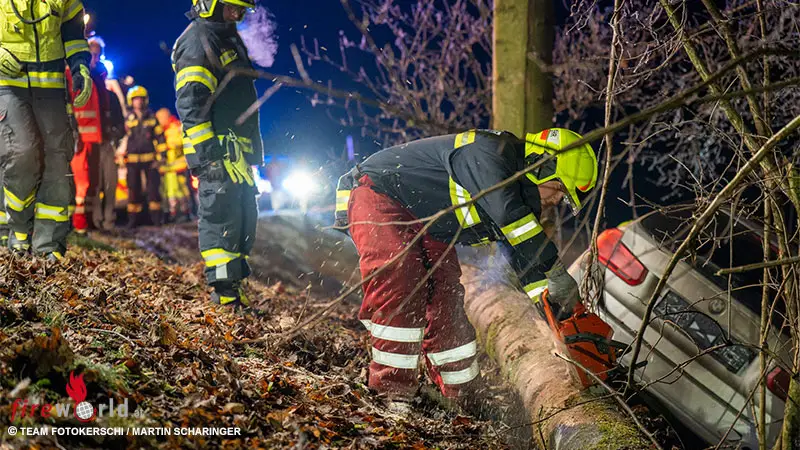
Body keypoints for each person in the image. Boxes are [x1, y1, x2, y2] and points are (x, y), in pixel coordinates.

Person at [334, 128, 598, 412]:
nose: (557, 201)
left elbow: (526, 258)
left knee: (447, 296)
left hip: (427, 219)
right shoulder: (489, 153)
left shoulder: (512, 196)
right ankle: (391, 393)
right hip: (377, 192)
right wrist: (558, 271)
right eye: (560, 189)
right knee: (402, 279)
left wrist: (557, 313)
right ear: (542, 164)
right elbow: (511, 217)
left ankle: (465, 396)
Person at [172, 0, 263, 307]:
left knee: (243, 218)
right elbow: (192, 105)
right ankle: (223, 294)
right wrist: (208, 155)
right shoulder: (198, 39)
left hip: (236, 152)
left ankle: (234, 287)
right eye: (232, 8)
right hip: (217, 152)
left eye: (242, 10)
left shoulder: (227, 38)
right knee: (220, 216)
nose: (237, 15)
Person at [0, 0, 92, 259]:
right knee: (22, 153)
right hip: (7, 83)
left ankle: (49, 245)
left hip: (50, 86)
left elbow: (73, 34)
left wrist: (80, 66)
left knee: (57, 160)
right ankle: (17, 230)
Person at [68, 36, 125, 233]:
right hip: (84, 139)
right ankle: (88, 221)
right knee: (87, 182)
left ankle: (101, 221)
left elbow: (114, 111)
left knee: (103, 183)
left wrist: (116, 132)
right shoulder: (80, 77)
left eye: (97, 54)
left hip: (102, 138)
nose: (95, 57)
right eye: (91, 54)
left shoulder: (102, 83)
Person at [123, 86, 165, 228]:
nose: (138, 102)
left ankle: (156, 220)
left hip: (150, 159)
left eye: (141, 99)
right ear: (131, 101)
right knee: (133, 190)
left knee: (153, 189)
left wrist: (161, 157)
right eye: (135, 99)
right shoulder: (128, 118)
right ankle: (133, 220)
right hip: (133, 159)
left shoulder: (152, 118)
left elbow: (160, 137)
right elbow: (123, 137)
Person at [155, 108, 191, 223]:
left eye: (160, 118)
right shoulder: (159, 130)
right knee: (167, 191)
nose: (159, 121)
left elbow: (181, 142)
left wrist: (170, 145)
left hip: (177, 167)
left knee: (180, 191)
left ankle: (184, 212)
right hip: (165, 168)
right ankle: (171, 213)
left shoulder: (176, 127)